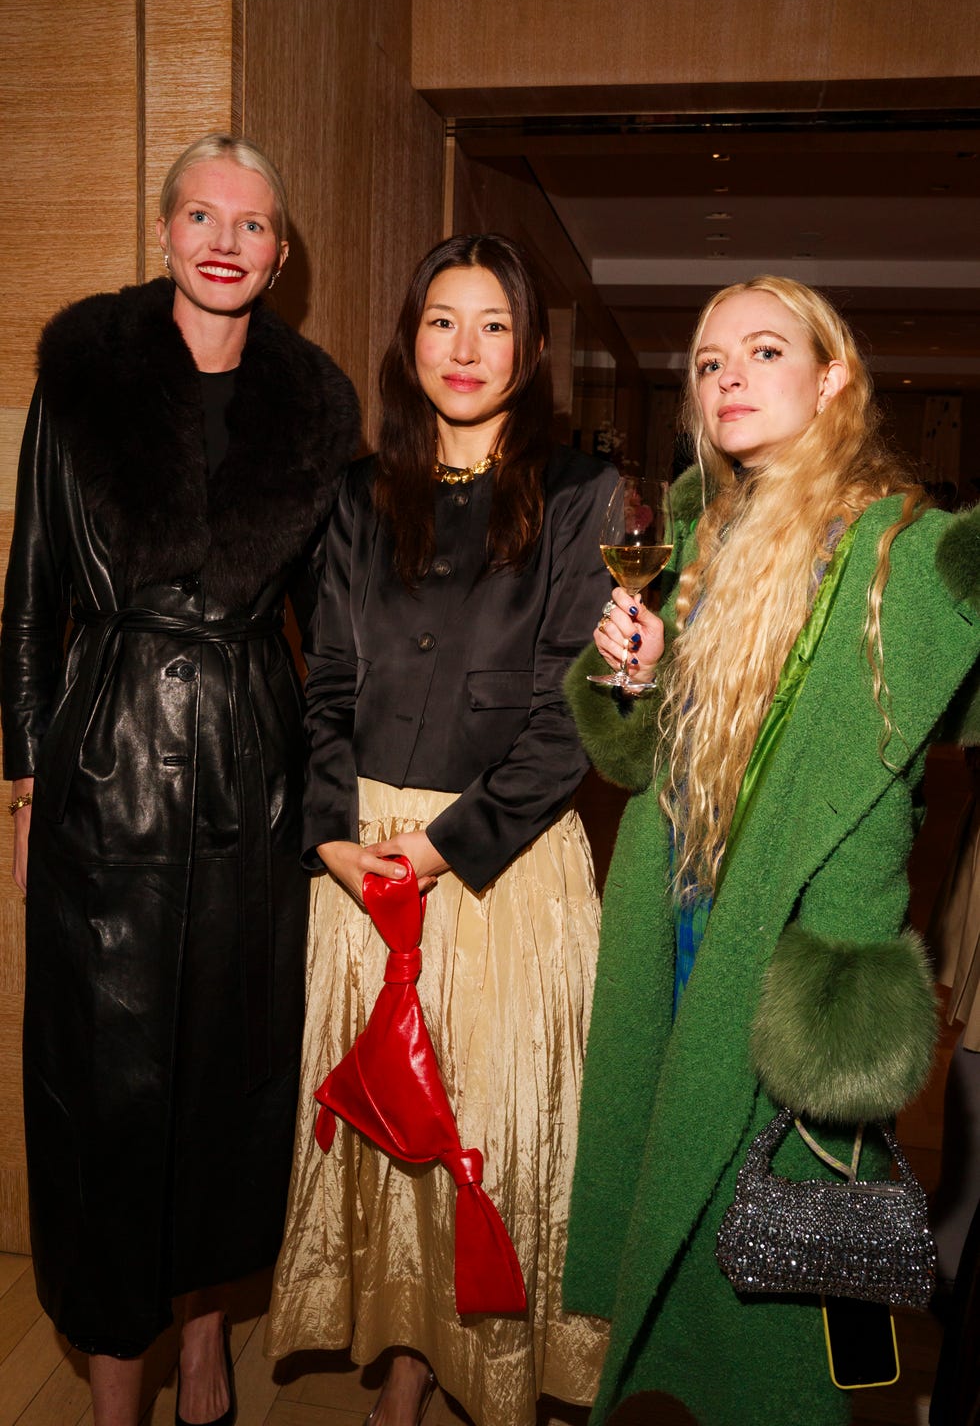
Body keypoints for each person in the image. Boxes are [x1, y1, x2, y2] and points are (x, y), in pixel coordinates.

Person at [561, 275, 980, 1426]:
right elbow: (626, 759)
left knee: (798, 1275)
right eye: (706, 361)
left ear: (831, 375)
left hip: (804, 965)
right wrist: (631, 672)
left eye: (760, 350)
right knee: (691, 1252)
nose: (727, 374)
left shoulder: (901, 550)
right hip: (685, 934)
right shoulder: (694, 537)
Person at [0, 133, 359, 1426]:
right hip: (100, 763)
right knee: (101, 1090)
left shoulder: (316, 404)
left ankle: (205, 1352)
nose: (224, 240)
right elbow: (32, 591)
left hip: (252, 774)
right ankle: (113, 1384)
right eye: (201, 215)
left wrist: (333, 802)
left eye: (251, 225)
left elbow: (340, 633)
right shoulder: (85, 373)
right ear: (164, 232)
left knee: (229, 1077)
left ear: (277, 254)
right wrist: (28, 790)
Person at [265, 234, 614, 1426]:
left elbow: (575, 706)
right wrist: (329, 835)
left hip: (498, 866)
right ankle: (402, 1369)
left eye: (493, 326)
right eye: (440, 322)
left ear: (528, 349)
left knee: (494, 1132)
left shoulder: (581, 496)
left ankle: (500, 1373)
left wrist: (443, 845)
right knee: (382, 1137)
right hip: (361, 860)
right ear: (407, 340)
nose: (464, 351)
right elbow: (326, 684)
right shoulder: (358, 495)